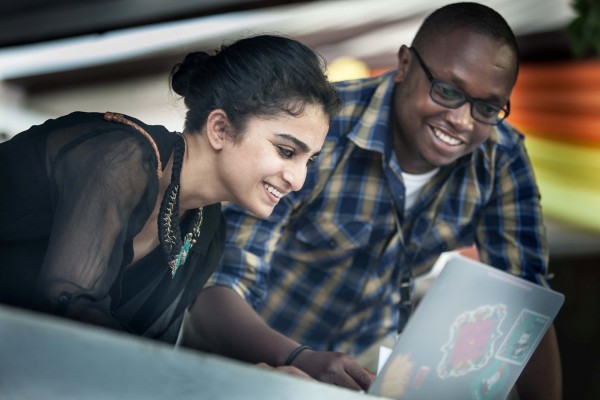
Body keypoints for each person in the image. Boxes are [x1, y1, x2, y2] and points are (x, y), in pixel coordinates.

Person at [187, 3, 563, 399]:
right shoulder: (318, 130)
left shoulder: (499, 159)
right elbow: (218, 287)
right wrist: (300, 357)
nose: (463, 120)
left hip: (359, 373)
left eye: (486, 107)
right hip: (243, 355)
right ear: (404, 64)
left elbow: (525, 305)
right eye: (448, 91)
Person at [0, 34, 340, 363]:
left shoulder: (207, 223)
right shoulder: (121, 159)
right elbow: (67, 305)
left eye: (307, 161)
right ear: (220, 128)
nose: (298, 181)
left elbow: (148, 344)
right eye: (286, 151)